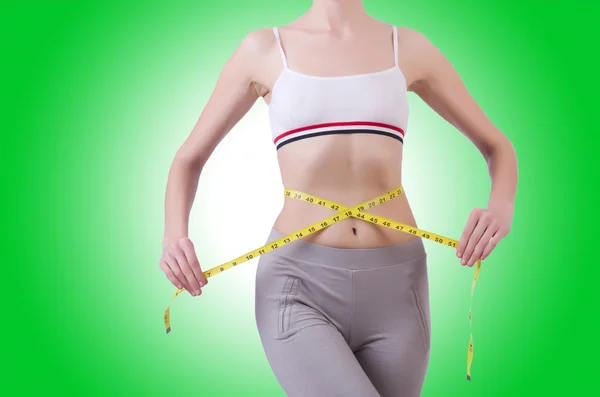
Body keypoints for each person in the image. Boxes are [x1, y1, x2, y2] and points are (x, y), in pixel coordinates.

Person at [158, 0, 518, 395]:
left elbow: (497, 146)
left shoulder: (409, 48)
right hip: (299, 285)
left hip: (399, 289)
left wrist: (501, 207)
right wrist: (174, 236)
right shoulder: (263, 49)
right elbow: (188, 158)